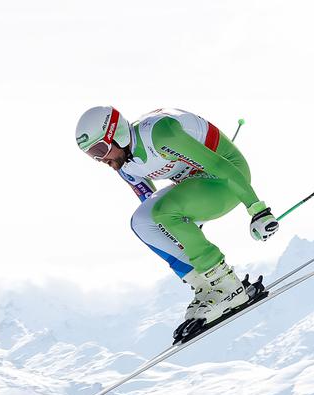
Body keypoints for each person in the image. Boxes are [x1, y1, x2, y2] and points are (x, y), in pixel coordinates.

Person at [75, 106, 279, 329]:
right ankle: (206, 285)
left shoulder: (159, 133)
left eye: (100, 148)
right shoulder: (126, 168)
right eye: (92, 155)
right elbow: (151, 208)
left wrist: (257, 209)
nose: (101, 159)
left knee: (164, 211)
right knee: (142, 222)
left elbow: (219, 165)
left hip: (228, 177)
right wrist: (183, 234)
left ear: (117, 134)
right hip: (196, 187)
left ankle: (227, 285)